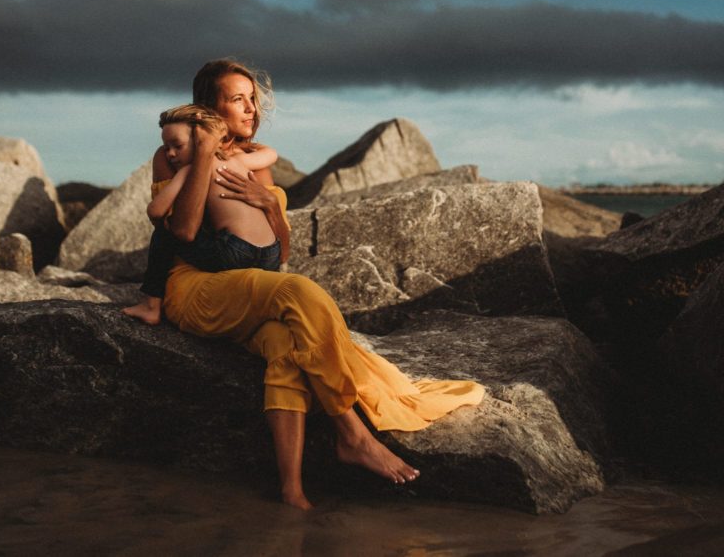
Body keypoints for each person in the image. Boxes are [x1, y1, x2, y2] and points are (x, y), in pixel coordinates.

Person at [150, 59, 483, 510]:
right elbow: (183, 231)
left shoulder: (257, 160)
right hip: (196, 290)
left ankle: (292, 492)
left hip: (251, 285)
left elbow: (282, 249)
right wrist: (205, 154)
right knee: (301, 293)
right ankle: (353, 435)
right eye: (237, 99)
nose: (251, 109)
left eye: (253, 98)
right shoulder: (177, 152)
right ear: (208, 108)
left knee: (289, 345)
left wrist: (267, 201)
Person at [122, 104, 284, 324]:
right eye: (166, 146)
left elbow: (156, 210)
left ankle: (151, 305)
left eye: (177, 146)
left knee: (163, 233)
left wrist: (161, 218)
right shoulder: (238, 161)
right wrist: (232, 137)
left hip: (235, 251)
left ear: (200, 141)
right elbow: (271, 154)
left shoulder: (191, 170)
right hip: (271, 254)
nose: (169, 154)